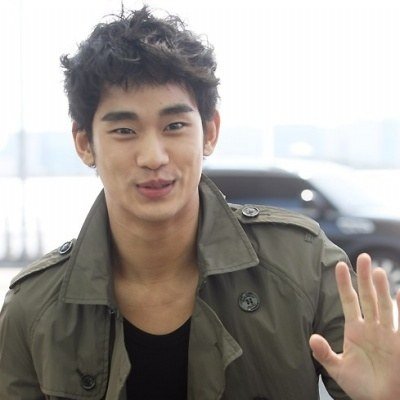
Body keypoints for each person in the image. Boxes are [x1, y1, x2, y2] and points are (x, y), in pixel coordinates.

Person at [0, 5, 399, 399]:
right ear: (84, 143)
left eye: (174, 126)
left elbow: (373, 380)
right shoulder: (32, 309)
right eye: (124, 130)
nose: (153, 156)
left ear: (209, 132)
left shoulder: (302, 263)